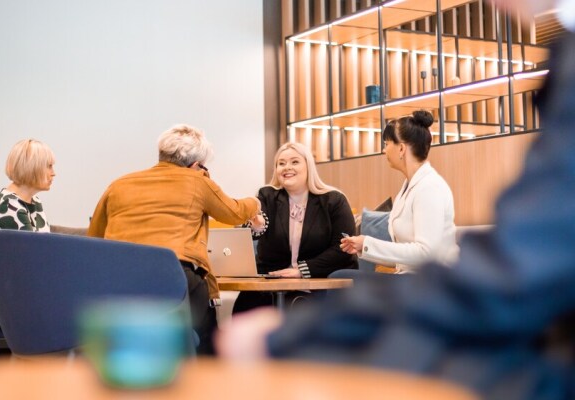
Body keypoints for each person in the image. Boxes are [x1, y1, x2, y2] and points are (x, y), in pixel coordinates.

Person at [216, 0, 575, 397]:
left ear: (400, 148)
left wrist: (360, 250)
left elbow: (505, 264)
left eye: (385, 145)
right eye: (280, 162)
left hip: (446, 289)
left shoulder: (424, 189)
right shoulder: (400, 189)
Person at [87, 124, 260, 355]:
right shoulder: (197, 181)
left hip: (120, 279)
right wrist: (257, 202)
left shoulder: (119, 184)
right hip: (174, 276)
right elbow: (235, 212)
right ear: (197, 165)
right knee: (206, 343)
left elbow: (95, 237)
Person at [232, 142, 357, 313]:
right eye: (281, 163)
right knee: (244, 313)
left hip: (318, 285)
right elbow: (257, 225)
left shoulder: (334, 200)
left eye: (295, 162)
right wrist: (258, 227)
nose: (287, 167)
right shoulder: (267, 196)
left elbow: (343, 248)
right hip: (272, 286)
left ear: (308, 166)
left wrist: (302, 271)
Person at [340, 110, 459, 274]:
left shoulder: (429, 188)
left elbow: (425, 253)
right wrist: (364, 247)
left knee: (344, 277)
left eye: (387, 143)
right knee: (343, 276)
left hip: (431, 281)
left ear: (401, 148)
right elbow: (402, 257)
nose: (384, 150)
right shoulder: (409, 187)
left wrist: (368, 244)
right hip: (408, 276)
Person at [0, 139, 55, 231]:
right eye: (49, 166)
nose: (53, 173)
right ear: (32, 167)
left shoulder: (35, 201)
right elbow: (35, 245)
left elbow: (44, 242)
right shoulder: (9, 205)